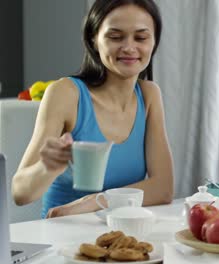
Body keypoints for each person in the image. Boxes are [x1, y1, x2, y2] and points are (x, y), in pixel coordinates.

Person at [11, 0, 174, 218]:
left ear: (154, 42)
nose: (129, 47)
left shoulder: (149, 95)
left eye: (141, 37)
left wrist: (96, 202)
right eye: (115, 37)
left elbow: (163, 188)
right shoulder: (66, 94)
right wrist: (47, 168)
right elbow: (19, 193)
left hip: (123, 237)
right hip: (63, 236)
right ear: (94, 40)